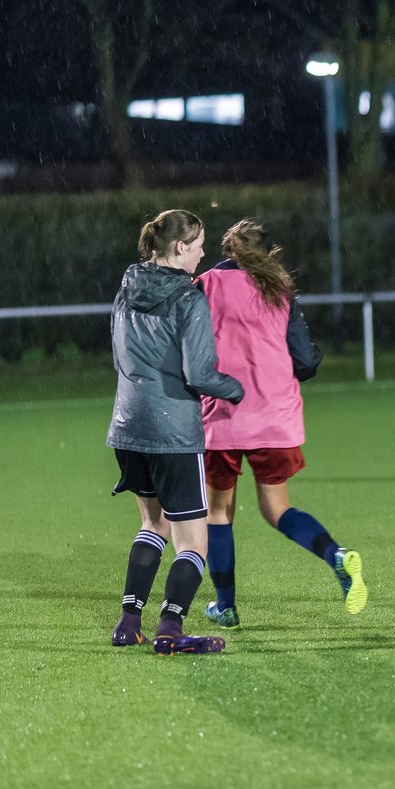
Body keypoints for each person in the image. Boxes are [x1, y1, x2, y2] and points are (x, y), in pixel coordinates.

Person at [197, 218, 366, 627]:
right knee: (278, 509)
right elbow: (305, 360)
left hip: (222, 415)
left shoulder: (205, 284)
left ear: (228, 249)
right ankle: (336, 555)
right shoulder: (279, 289)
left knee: (218, 513)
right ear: (268, 251)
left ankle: (226, 605)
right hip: (275, 415)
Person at [108, 209, 244, 654]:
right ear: (180, 247)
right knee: (193, 543)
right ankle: (170, 629)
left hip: (128, 427)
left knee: (152, 523)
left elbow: (120, 360)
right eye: (199, 243)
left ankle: (129, 622)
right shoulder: (189, 299)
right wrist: (238, 389)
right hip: (172, 435)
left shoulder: (126, 290)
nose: (204, 251)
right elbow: (200, 374)